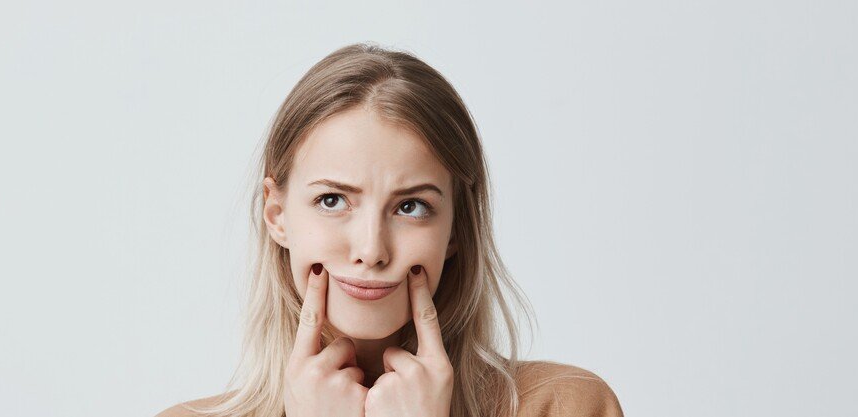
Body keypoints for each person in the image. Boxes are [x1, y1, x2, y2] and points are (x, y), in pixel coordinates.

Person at [157, 42, 623, 417]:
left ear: (457, 227)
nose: (371, 249)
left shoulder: (564, 407)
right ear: (277, 215)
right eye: (332, 200)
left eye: (411, 206)